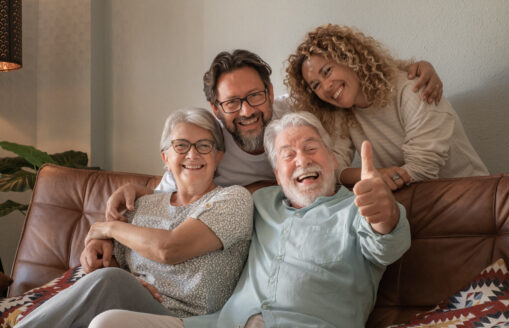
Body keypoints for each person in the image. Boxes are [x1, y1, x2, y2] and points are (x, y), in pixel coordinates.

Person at [88, 111, 411, 328]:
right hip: (216, 325)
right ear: (276, 173)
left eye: (312, 148)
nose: (301, 160)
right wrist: (130, 199)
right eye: (288, 154)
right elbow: (185, 193)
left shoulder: (359, 208)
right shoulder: (258, 201)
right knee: (106, 324)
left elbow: (386, 242)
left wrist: (385, 212)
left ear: (334, 159)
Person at [106, 49, 443, 220]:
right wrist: (104, 233)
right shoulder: (206, 143)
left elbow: (346, 83)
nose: (247, 111)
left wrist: (412, 67)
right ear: (216, 108)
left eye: (255, 96)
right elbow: (166, 194)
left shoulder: (296, 114)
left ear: (269, 91)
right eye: (232, 103)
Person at [14, 108, 253, 328]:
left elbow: (169, 248)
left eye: (204, 146)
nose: (192, 154)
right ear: (165, 157)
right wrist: (124, 276)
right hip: (130, 309)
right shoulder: (141, 205)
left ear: (218, 156)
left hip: (189, 320)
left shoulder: (233, 200)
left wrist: (108, 229)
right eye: (181, 145)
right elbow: (106, 267)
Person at [285, 24, 488, 191]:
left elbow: (423, 169)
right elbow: (332, 166)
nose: (327, 87)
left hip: (468, 196)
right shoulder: (340, 112)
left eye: (327, 71)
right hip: (412, 205)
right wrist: (370, 175)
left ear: (349, 59)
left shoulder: (412, 89)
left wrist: (375, 179)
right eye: (316, 85)